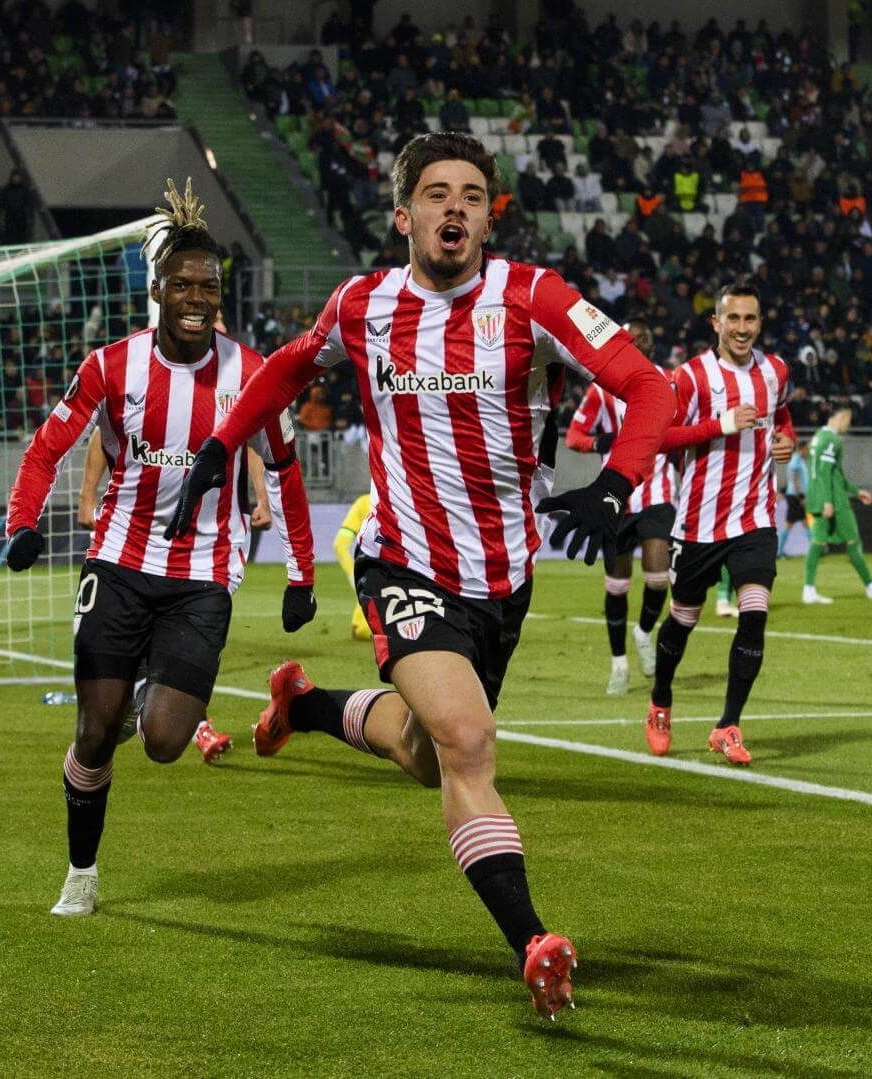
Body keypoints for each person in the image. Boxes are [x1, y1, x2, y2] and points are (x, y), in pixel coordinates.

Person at [162, 132, 675, 1017]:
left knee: (426, 751)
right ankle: (535, 943)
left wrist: (619, 483)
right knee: (469, 744)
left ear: (489, 215)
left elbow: (651, 387)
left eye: (473, 195)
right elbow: (290, 365)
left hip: (502, 579)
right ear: (405, 215)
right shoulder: (364, 304)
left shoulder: (535, 297)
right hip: (400, 556)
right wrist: (219, 443)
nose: (456, 209)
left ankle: (310, 705)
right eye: (438, 194)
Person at [0, 180, 319, 917]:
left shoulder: (251, 374)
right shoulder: (111, 366)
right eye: (183, 284)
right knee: (93, 728)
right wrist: (23, 523)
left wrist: (300, 571)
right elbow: (45, 449)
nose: (197, 297)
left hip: (203, 575)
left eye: (209, 286)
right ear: (157, 289)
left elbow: (286, 469)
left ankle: (149, 691)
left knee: (168, 740)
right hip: (117, 559)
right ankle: (81, 872)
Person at [641, 284, 794, 765]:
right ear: (716, 323)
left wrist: (787, 440)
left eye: (750, 319)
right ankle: (661, 699)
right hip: (699, 523)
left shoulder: (776, 371)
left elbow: (781, 415)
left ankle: (728, 725)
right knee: (683, 619)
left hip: (755, 518)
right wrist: (720, 425)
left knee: (754, 615)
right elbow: (661, 438)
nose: (743, 328)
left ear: (760, 323)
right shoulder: (691, 377)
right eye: (734, 319)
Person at [566, 318, 677, 694]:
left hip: (658, 493)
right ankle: (618, 664)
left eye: (644, 335)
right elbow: (574, 436)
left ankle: (644, 631)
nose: (639, 340)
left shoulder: (670, 380)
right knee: (617, 585)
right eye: (632, 336)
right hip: (617, 498)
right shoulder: (602, 388)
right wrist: (601, 442)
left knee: (659, 575)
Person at [801, 407, 872, 604]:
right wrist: (828, 500)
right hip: (834, 501)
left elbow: (830, 473)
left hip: (815, 497)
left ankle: (808, 591)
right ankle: (871, 587)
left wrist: (856, 490)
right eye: (847, 418)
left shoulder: (818, 436)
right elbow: (826, 471)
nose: (848, 423)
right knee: (853, 541)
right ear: (837, 417)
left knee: (817, 542)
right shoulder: (832, 440)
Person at [336, 491, 375, 640]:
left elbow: (340, 545)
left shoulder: (364, 503)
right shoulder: (406, 502)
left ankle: (362, 624)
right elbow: (340, 545)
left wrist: (354, 574)